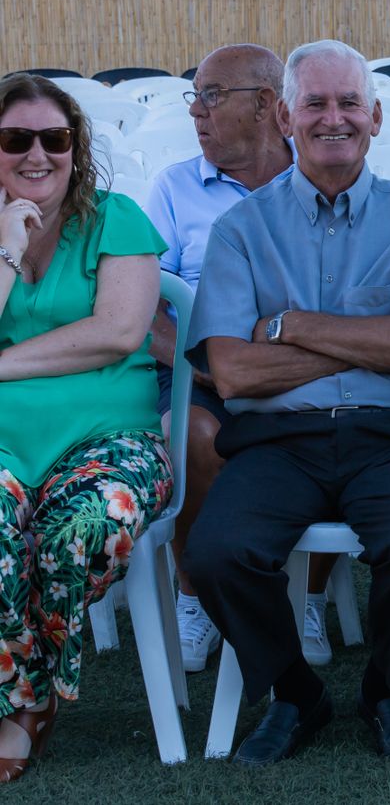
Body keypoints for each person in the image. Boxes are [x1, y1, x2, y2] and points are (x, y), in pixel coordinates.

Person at [185, 39, 390, 765]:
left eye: (348, 103)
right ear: (284, 114)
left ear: (375, 116)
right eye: (314, 103)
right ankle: (294, 693)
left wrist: (294, 325)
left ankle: (386, 691)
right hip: (279, 441)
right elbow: (235, 371)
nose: (332, 118)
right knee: (217, 554)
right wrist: (375, 339)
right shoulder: (241, 229)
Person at [0, 74, 172, 781]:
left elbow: (117, 331)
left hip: (110, 442)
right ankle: (27, 700)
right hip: (7, 444)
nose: (38, 155)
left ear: (76, 147)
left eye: (55, 139)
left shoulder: (115, 218)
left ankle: (22, 698)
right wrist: (8, 242)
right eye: (15, 140)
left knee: (83, 529)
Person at [142, 43, 332, 675]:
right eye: (194, 97)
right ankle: (195, 593)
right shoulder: (174, 187)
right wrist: (200, 366)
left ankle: (303, 595)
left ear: (266, 106)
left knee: (339, 430)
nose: (196, 111)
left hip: (303, 366)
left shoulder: (319, 180)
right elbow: (144, 307)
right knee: (189, 433)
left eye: (212, 96)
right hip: (196, 371)